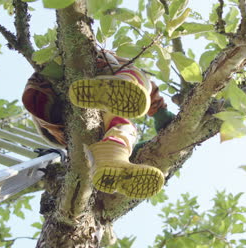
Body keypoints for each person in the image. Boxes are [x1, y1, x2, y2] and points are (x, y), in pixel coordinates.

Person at [22, 50, 174, 199]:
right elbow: (148, 88)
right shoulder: (103, 55)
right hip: (71, 77)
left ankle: (112, 157)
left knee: (120, 127)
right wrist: (161, 113)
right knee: (137, 90)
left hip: (49, 110)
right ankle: (123, 83)